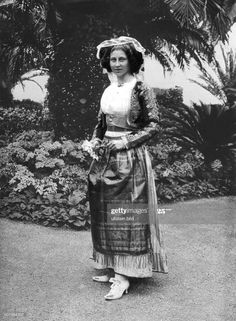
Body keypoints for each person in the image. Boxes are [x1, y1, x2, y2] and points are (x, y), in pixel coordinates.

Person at [88, 36, 168, 301]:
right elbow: (101, 122)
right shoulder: (109, 88)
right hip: (105, 158)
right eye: (113, 59)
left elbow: (154, 124)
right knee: (105, 213)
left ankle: (124, 276)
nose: (117, 63)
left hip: (130, 158)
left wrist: (124, 141)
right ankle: (111, 264)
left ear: (132, 61)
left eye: (122, 58)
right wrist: (95, 142)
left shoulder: (141, 88)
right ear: (107, 62)